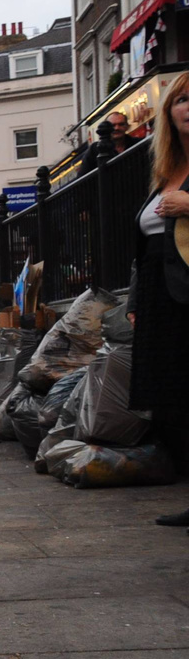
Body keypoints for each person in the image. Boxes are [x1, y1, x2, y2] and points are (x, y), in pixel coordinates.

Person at [126, 73, 189, 529]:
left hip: (186, 293)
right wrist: (134, 299)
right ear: (167, 113)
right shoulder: (166, 170)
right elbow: (143, 243)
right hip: (158, 297)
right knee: (172, 401)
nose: (188, 107)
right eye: (181, 100)